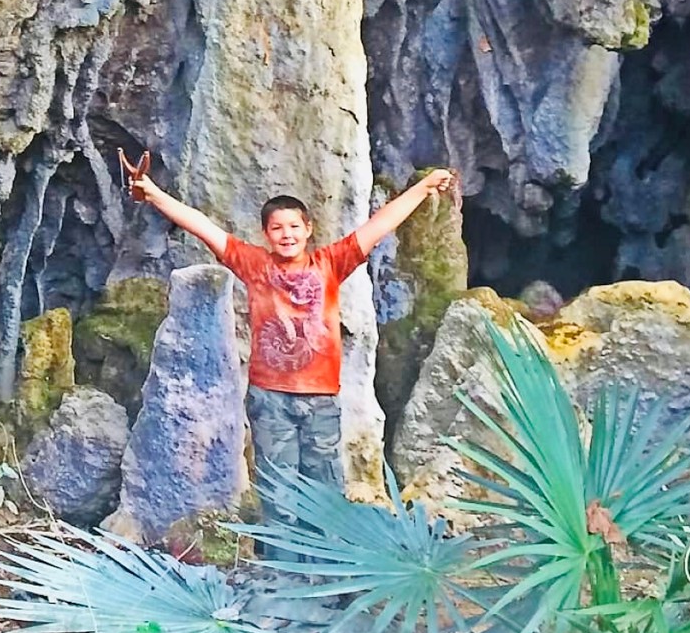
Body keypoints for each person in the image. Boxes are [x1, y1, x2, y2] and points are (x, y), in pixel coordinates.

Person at [116, 150, 459, 492]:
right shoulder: (255, 265)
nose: (287, 234)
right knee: (279, 493)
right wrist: (153, 193)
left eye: (294, 226)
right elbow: (204, 227)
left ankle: (321, 532)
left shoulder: (330, 264)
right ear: (265, 233)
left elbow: (379, 225)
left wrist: (424, 187)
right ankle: (279, 533)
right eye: (277, 228)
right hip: (271, 400)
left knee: (325, 493)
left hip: (321, 397)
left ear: (308, 229)